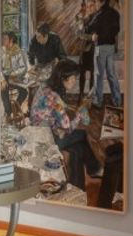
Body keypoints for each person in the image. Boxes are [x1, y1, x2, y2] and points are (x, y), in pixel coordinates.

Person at [30, 59, 102, 191]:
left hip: (39, 132)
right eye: (73, 79)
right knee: (82, 135)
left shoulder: (46, 87)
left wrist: (70, 109)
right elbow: (67, 127)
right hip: (46, 140)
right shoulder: (55, 98)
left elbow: (55, 110)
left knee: (77, 149)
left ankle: (78, 184)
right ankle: (94, 169)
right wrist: (79, 115)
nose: (75, 82)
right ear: (63, 78)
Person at [87, 0, 122, 107]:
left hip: (100, 47)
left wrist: (98, 35)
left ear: (102, 1)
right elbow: (117, 30)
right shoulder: (115, 13)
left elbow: (89, 28)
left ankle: (98, 101)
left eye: (97, 0)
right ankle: (117, 100)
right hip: (111, 47)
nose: (96, 3)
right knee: (112, 74)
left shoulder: (99, 15)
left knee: (98, 75)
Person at [0, 32, 29, 120]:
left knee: (24, 91)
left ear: (11, 40)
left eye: (5, 39)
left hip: (15, 77)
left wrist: (14, 74)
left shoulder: (19, 52)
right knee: (4, 89)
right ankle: (8, 112)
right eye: (3, 38)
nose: (3, 40)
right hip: (3, 76)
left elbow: (23, 68)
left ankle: (15, 109)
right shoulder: (1, 51)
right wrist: (2, 79)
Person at [75, 0, 99, 103]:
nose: (89, 8)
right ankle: (81, 94)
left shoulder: (98, 19)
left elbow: (98, 35)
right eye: (88, 7)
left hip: (95, 50)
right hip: (84, 50)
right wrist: (90, 37)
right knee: (82, 73)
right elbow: (79, 34)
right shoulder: (83, 20)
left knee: (93, 74)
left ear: (95, 6)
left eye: (91, 6)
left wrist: (93, 37)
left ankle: (90, 96)